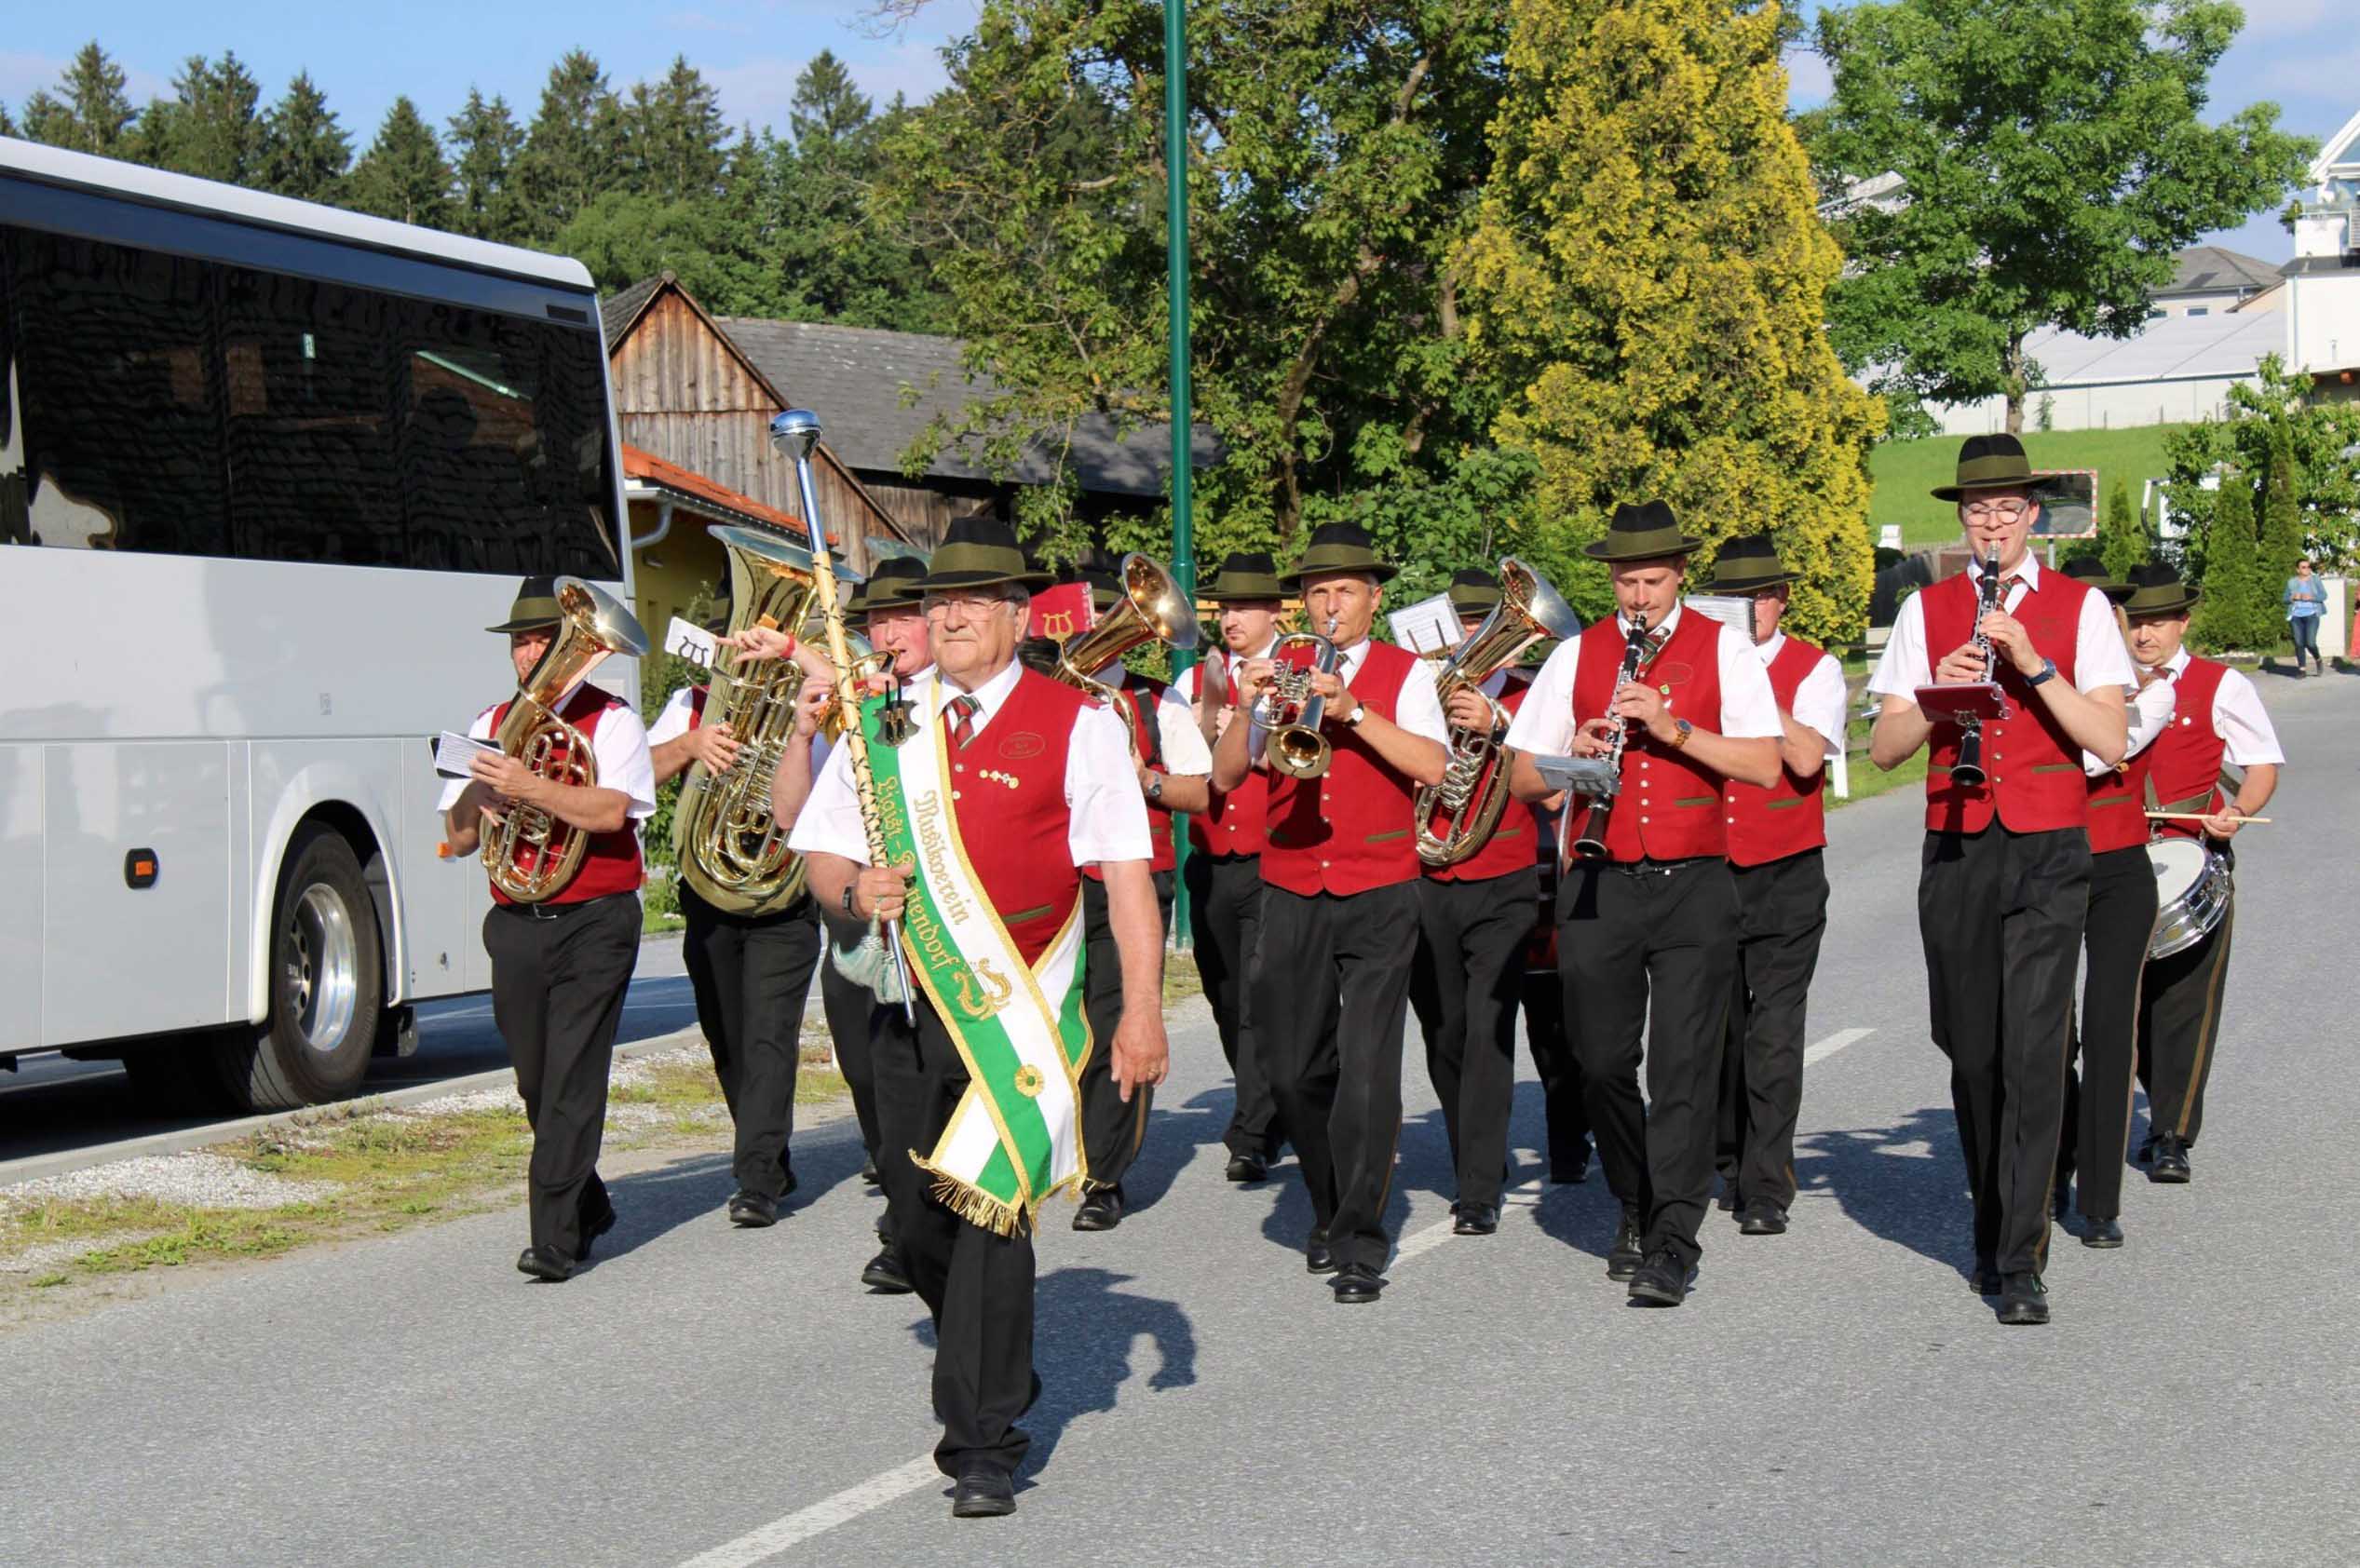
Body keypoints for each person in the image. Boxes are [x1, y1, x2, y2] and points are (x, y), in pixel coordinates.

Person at [789, 517, 1168, 1519]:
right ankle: (989, 1353)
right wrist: (851, 889)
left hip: (1020, 1014)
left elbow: (1125, 879)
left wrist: (1140, 1013)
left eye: (970, 600)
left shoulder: (1076, 720)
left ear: (1015, 614)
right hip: (908, 1006)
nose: (946, 616)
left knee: (988, 1215)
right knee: (915, 1225)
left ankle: (982, 1438)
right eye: (936, 602)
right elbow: (820, 847)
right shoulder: (884, 719)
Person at [1867, 434, 2133, 1327]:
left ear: (2032, 516)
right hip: (1956, 845)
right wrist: (1939, 697)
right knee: (1972, 1051)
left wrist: (2032, 661)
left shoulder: (2081, 607)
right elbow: (1885, 747)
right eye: (1977, 510)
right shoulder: (1927, 610)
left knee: (2033, 1051)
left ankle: (2019, 1257)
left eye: (2007, 509)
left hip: (2050, 846)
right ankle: (1993, 1219)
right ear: (1965, 519)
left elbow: (2108, 741)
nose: (1992, 523)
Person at [1505, 502, 1782, 1309]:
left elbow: (1764, 766)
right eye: (1627, 581)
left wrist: (1673, 727)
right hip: (1598, 879)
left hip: (1696, 879)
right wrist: (1571, 756)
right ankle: (1634, 1195)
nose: (1639, 595)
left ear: (1679, 576)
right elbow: (1522, 778)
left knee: (1684, 1069)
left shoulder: (1725, 649)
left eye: (1653, 580)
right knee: (1597, 1062)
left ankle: (1672, 1241)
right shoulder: (1578, 654)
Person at [1214, 521, 1449, 1305]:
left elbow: (1436, 769)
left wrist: (1351, 712)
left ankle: (1357, 1239)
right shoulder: (1273, 667)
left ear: (1373, 600)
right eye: (1317, 592)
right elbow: (1224, 777)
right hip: (1290, 883)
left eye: (1345, 590)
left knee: (1369, 1069)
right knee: (1290, 1068)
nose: (1330, 604)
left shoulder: (1405, 673)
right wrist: (1241, 709)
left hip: (1380, 885)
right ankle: (1324, 1201)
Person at [439, 576, 657, 1283]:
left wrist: (531, 789)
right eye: (523, 642)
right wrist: (481, 793)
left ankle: (554, 1238)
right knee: (535, 1081)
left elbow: (608, 814)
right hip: (517, 921)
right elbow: (459, 837)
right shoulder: (488, 724)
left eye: (544, 640)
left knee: (570, 1078)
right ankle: (586, 1203)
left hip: (596, 919)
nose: (531, 654)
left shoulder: (612, 720)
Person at [646, 619, 834, 1229]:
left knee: (768, 1037)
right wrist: (690, 746)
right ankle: (769, 1156)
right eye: (744, 636)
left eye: (767, 639)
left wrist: (800, 661)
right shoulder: (690, 703)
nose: (752, 650)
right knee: (726, 1037)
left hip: (784, 894)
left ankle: (756, 1180)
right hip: (710, 891)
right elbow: (633, 775)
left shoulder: (812, 697)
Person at [2118, 561, 2284, 1184]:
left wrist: (2237, 811)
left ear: (2183, 622)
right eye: (2136, 621)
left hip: (2193, 855)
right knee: (2122, 1006)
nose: (2145, 634)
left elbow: (2262, 763)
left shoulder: (2221, 684)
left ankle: (2169, 1134)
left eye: (2158, 621)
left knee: (2186, 1002)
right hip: (2115, 857)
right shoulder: (2105, 685)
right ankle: (2135, 1103)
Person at [1409, 569, 1558, 1237]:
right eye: (1467, 625)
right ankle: (1478, 1152)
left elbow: (1553, 791)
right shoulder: (1420, 693)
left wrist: (1498, 723)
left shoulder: (1537, 697)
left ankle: (1477, 1187)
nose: (1477, 638)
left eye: (1490, 624)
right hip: (1426, 876)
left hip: (1502, 879)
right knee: (1443, 1030)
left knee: (1486, 1023)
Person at [1706, 535, 1847, 1239]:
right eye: (1731, 599)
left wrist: (1749, 680)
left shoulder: (1813, 668)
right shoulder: (1697, 665)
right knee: (1718, 1030)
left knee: (1774, 1032)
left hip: (1786, 870)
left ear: (1780, 600)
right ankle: (1727, 1159)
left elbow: (1804, 758)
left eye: (1757, 597)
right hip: (1708, 868)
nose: (1745, 610)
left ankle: (1768, 1182)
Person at [1067, 564, 1213, 1232]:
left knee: (1119, 1016)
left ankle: (1105, 1173)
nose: (1110, 630)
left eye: (1123, 620)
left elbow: (1198, 793)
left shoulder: (1159, 704)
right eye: (1104, 618)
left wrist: (1141, 777)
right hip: (1061, 877)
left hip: (1136, 874)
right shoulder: (1050, 696)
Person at [2052, 559, 2172, 1250]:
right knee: (2046, 1034)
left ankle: (2098, 1199)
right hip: (2051, 861)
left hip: (2121, 868)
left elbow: (2102, 752)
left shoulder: (2152, 693)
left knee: (2106, 1032)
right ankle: (2047, 1173)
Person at [821, 554, 932, 1292]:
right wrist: (805, 731)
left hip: (939, 924)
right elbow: (799, 816)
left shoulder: (950, 701)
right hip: (860, 921)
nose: (885, 632)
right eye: (873, 622)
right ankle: (906, 1206)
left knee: (929, 1085)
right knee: (869, 1078)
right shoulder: (856, 705)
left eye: (900, 617)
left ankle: (907, 1236)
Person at [1166, 551, 1287, 1184]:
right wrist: (1191, 733)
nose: (1230, 617)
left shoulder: (1296, 673)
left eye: (1243, 607)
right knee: (1221, 997)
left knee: (1256, 999)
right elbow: (1179, 770)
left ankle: (1254, 1129)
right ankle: (1267, 1104)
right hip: (1212, 857)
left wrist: (1243, 733)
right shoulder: (1192, 680)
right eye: (1223, 607)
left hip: (1274, 859)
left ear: (1275, 612)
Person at [2285, 558, 2326, 677]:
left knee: (2310, 643)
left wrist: (2311, 597)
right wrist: (2292, 598)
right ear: (2298, 569)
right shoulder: (2292, 582)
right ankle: (2302, 670)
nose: (2307, 569)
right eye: (2303, 567)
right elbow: (2285, 598)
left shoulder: (2315, 580)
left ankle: (2318, 659)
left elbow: (2324, 595)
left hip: (2312, 614)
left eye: (2308, 566)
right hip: (2296, 616)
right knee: (2299, 643)